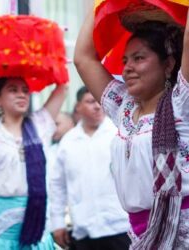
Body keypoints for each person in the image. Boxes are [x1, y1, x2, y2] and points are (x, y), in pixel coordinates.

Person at [74, 1, 189, 249]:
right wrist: (102, 3)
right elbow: (83, 59)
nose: (127, 68)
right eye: (125, 60)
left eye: (139, 58)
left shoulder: (188, 104)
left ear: (168, 64)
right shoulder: (124, 107)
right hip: (146, 235)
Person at [0, 15, 66, 249]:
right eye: (13, 90)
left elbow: (63, 85)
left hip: (34, 226)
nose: (21, 94)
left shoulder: (40, 126)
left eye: (25, 90)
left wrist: (55, 40)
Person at [50, 86, 130, 250]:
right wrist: (57, 222)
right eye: (90, 101)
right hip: (83, 228)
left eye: (99, 101)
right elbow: (57, 185)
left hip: (120, 226)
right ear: (78, 106)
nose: (97, 106)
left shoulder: (119, 134)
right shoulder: (68, 142)